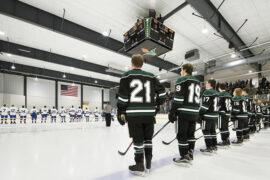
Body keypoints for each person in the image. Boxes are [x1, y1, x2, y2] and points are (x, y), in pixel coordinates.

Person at [117, 54, 165, 175]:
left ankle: (139, 165)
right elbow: (162, 91)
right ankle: (148, 162)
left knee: (138, 140)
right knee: (148, 139)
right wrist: (158, 103)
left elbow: (123, 97)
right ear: (142, 64)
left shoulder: (126, 76)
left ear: (132, 63)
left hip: (134, 114)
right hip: (149, 114)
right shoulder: (152, 76)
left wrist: (120, 111)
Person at [168, 63, 201, 165]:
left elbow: (178, 98)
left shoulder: (181, 79)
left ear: (185, 70)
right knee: (190, 135)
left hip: (185, 112)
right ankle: (190, 153)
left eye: (181, 69)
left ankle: (184, 156)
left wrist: (173, 111)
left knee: (182, 135)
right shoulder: (197, 81)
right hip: (194, 112)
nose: (180, 71)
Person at [199, 79, 219, 154]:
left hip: (208, 115)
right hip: (215, 115)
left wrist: (200, 114)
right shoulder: (217, 93)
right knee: (212, 131)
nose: (205, 85)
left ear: (210, 84)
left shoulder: (207, 92)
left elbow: (205, 106)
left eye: (207, 83)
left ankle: (209, 147)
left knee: (206, 131)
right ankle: (214, 145)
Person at [217, 83, 232, 147]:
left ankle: (224, 140)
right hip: (228, 112)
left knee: (221, 127)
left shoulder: (220, 94)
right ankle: (227, 139)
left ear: (219, 88)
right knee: (226, 127)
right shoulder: (229, 94)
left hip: (222, 113)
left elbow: (218, 104)